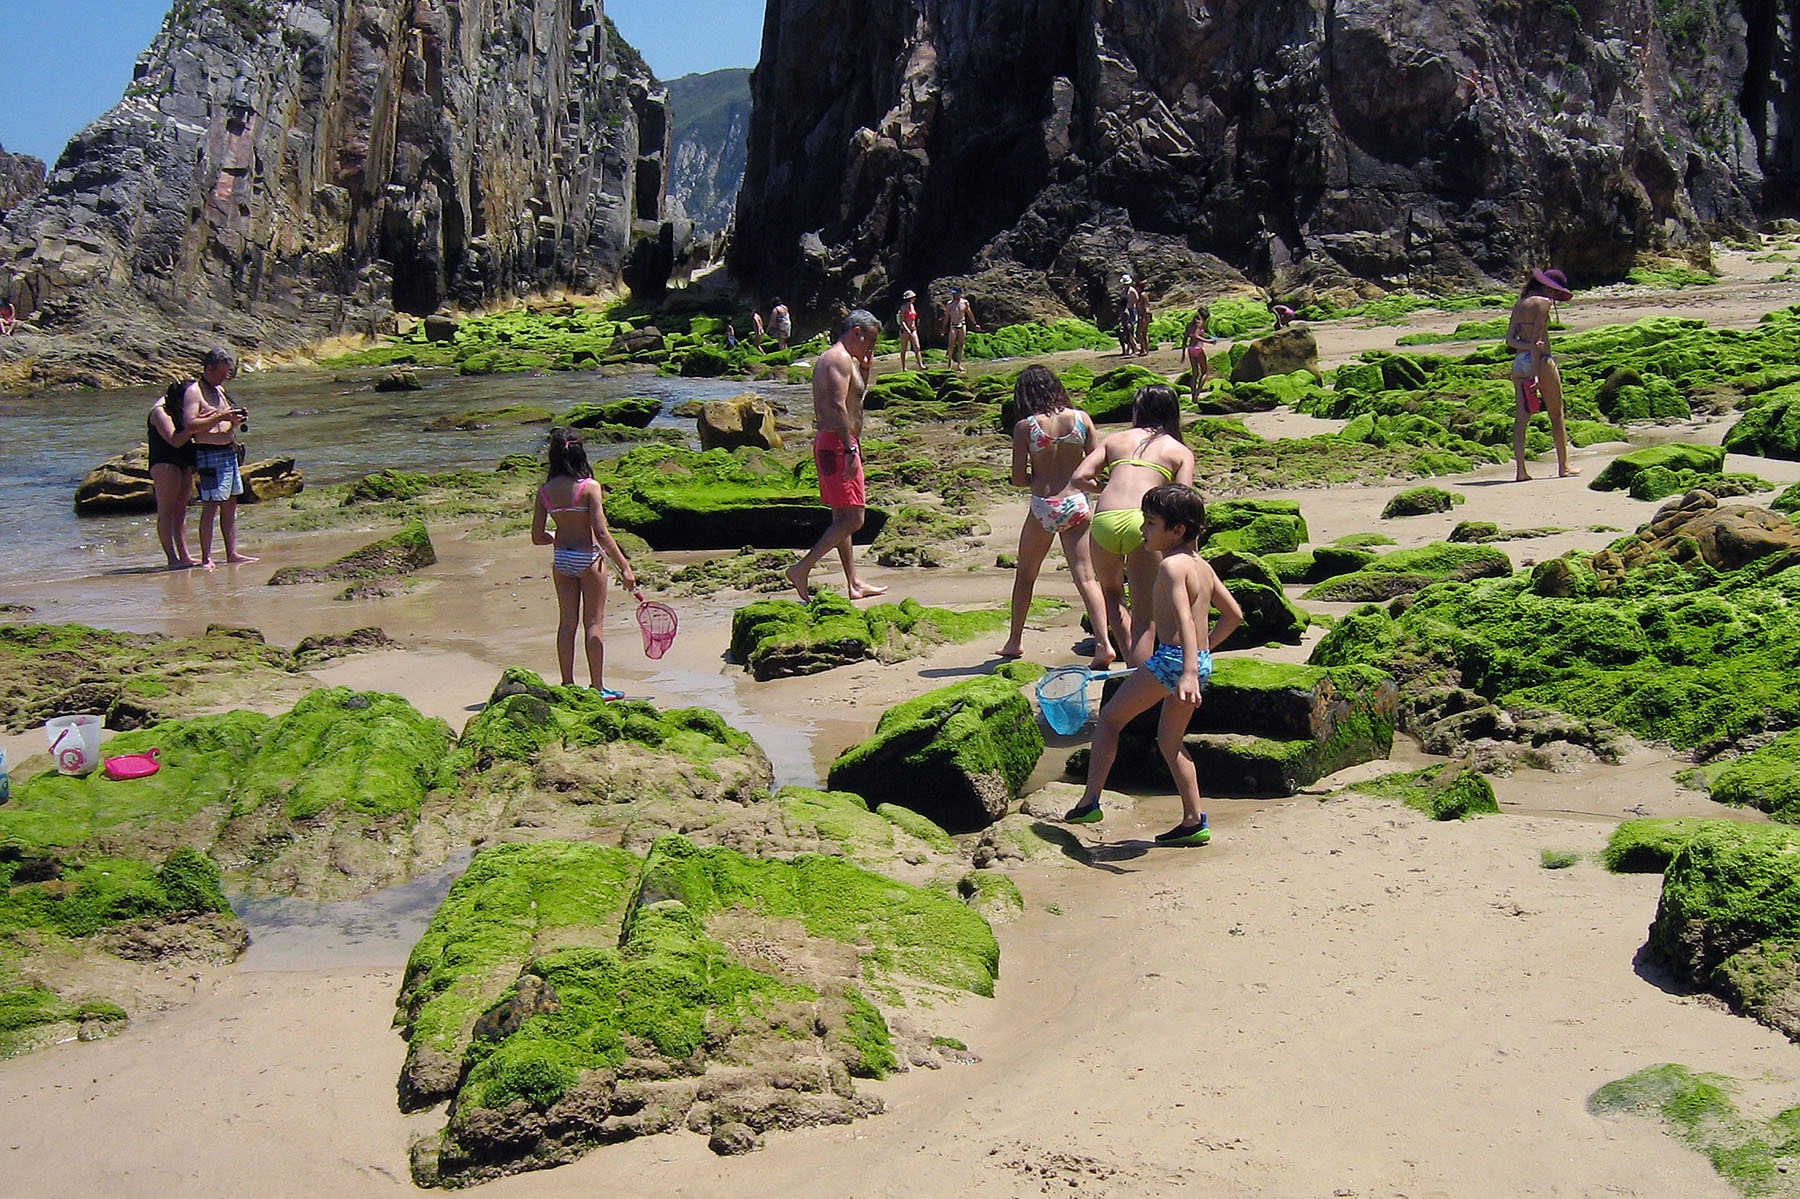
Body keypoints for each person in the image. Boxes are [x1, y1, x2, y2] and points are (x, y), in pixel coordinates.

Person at [1061, 483, 1244, 844]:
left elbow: (1185, 620)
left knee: (1111, 719)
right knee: (1169, 739)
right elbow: (1233, 615)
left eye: (1150, 523)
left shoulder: (1171, 567)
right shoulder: (1201, 566)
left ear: (1177, 530)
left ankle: (1089, 800)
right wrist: (1204, 656)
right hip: (1193, 661)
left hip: (1176, 663)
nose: (1143, 530)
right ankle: (1194, 820)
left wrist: (1188, 669)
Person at [1073, 384, 1196, 667]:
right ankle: (1139, 674)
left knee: (1112, 594)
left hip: (1104, 519)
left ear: (1138, 410)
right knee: (1145, 617)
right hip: (1143, 522)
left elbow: (1080, 476)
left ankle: (1131, 665)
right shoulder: (1178, 450)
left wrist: (1106, 486)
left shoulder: (1116, 440)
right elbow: (1183, 499)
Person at [996, 366, 1111, 668]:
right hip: (1077, 502)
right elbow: (1096, 464)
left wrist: (1038, 478)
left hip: (1044, 505)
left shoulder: (1026, 427)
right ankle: (1104, 644)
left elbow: (1019, 478)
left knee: (1026, 574)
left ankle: (1015, 641)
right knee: (1086, 577)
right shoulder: (1082, 419)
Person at [787, 310, 888, 601]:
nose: (871, 348)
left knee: (842, 516)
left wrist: (865, 371)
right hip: (836, 444)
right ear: (856, 331)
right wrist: (849, 449)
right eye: (869, 341)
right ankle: (801, 568)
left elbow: (854, 401)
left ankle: (854, 583)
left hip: (838, 442)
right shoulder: (837, 358)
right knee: (854, 518)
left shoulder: (848, 360)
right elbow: (837, 406)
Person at [531, 427, 637, 697]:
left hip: (562, 559)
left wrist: (557, 534)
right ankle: (598, 687)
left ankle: (567, 684)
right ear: (581, 453)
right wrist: (625, 567)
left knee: (567, 623)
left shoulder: (545, 491)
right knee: (594, 624)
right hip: (588, 558)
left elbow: (538, 537)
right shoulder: (590, 488)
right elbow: (601, 534)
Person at [181, 347, 258, 569]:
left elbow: (222, 419)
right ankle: (206, 557)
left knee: (231, 504)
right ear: (209, 368)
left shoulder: (220, 390)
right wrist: (221, 416)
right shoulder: (194, 392)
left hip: (228, 452)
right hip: (209, 454)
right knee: (211, 505)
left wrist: (234, 419)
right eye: (223, 372)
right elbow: (190, 424)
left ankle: (231, 552)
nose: (226, 376)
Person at [1507, 266, 1578, 481]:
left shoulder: (1520, 304)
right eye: (1556, 291)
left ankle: (1521, 471)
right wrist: (1537, 373)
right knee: (1556, 414)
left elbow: (1510, 340)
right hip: (1542, 363)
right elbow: (1538, 343)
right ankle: (1563, 466)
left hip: (1519, 362)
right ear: (1549, 288)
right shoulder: (1543, 304)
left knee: (1521, 419)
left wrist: (1527, 349)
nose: (1556, 296)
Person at [147, 382, 197, 569]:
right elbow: (175, 440)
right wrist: (194, 427)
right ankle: (172, 558)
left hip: (184, 458)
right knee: (166, 511)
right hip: (164, 460)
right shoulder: (161, 412)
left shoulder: (186, 406)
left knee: (181, 510)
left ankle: (185, 555)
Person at [1183, 306, 1218, 404]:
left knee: (1195, 373)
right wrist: (1210, 341)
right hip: (1198, 349)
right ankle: (1197, 393)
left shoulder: (1189, 324)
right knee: (1205, 372)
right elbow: (1197, 336)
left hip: (1190, 349)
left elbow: (1185, 338)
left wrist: (1183, 354)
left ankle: (1193, 394)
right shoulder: (1199, 323)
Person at [940, 286, 978, 372]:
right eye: (953, 294)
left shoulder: (965, 302)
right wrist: (943, 328)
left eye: (955, 293)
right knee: (951, 345)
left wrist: (974, 323)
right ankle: (949, 362)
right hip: (953, 325)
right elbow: (946, 317)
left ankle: (959, 364)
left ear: (959, 294)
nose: (954, 295)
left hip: (962, 324)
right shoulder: (949, 304)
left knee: (961, 345)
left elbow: (969, 313)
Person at [896, 289, 922, 371]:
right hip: (905, 330)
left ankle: (920, 364)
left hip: (913, 329)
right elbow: (902, 320)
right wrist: (907, 330)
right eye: (913, 297)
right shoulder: (903, 307)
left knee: (917, 347)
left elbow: (914, 318)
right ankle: (903, 367)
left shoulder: (912, 306)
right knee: (904, 349)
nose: (914, 298)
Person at [1118, 275, 1139, 356]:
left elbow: (1136, 300)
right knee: (1126, 331)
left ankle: (1134, 348)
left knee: (1130, 330)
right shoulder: (1124, 291)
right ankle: (1129, 349)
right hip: (1125, 310)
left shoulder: (1132, 291)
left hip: (1131, 310)